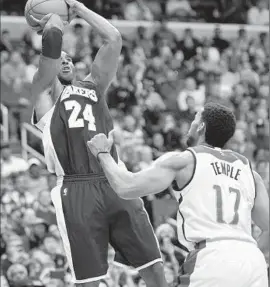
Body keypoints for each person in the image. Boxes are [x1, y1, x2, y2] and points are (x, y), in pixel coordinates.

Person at [30, 0, 167, 287]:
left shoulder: (93, 87)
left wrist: (78, 8)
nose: (65, 62)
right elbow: (51, 52)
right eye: (60, 60)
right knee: (90, 280)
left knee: (154, 267)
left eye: (70, 59)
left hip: (115, 179)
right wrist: (53, 25)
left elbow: (114, 38)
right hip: (77, 186)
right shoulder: (44, 93)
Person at [88, 102, 269, 287]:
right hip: (252, 261)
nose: (190, 125)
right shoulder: (250, 173)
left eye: (194, 119)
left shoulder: (184, 160)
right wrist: (243, 256)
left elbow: (125, 186)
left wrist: (103, 153)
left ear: (201, 127)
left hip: (212, 259)